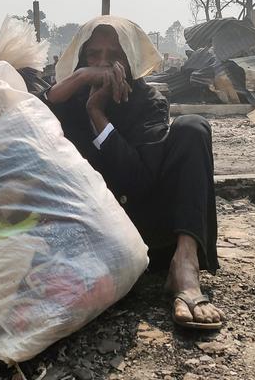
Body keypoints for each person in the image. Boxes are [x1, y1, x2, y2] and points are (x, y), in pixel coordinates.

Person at [43, 16, 223, 330]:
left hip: (143, 228)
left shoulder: (147, 102)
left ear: (130, 61)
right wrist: (82, 79)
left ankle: (184, 266)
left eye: (114, 57)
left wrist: (98, 116)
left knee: (193, 127)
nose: (102, 65)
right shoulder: (68, 100)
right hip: (90, 231)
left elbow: (137, 181)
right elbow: (32, 112)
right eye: (93, 56)